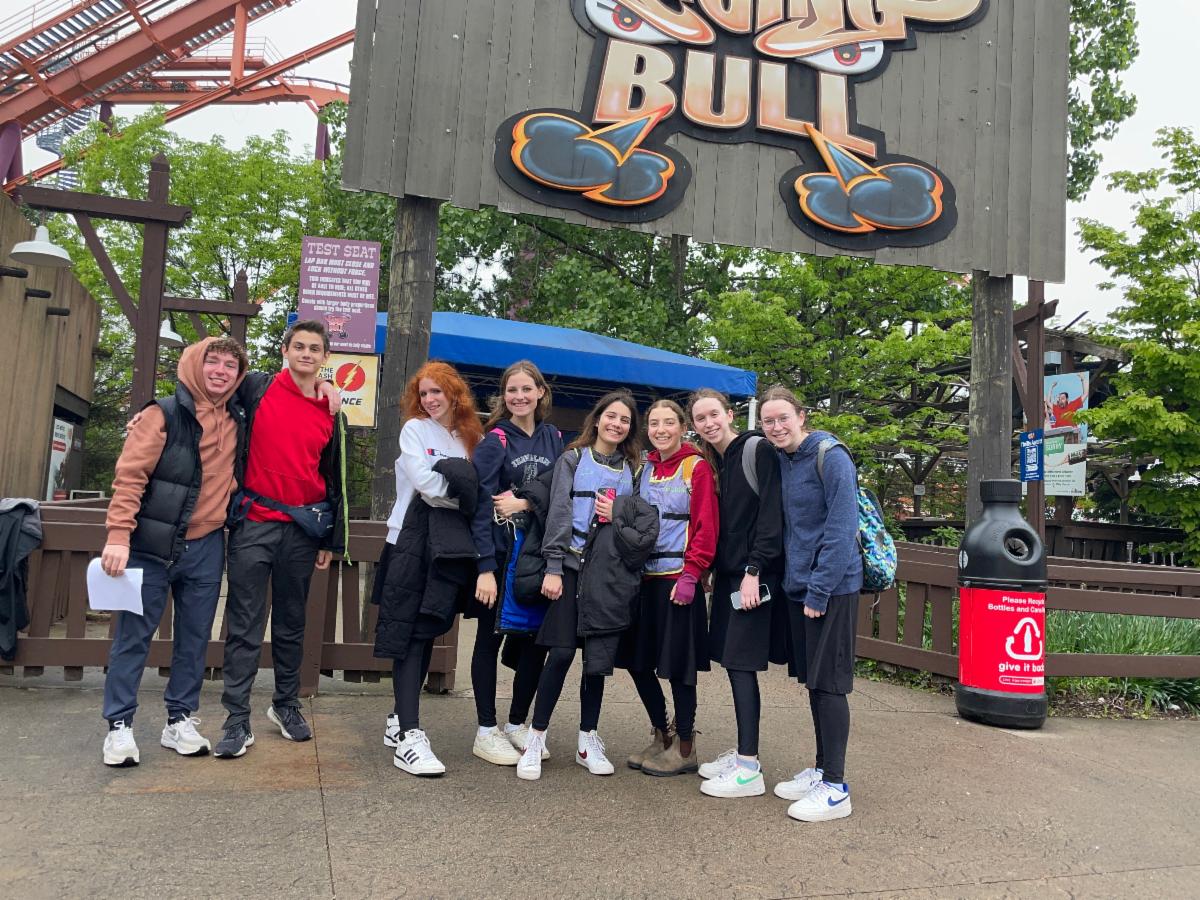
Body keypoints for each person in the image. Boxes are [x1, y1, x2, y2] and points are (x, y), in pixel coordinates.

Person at [99, 336, 248, 766]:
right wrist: (118, 535)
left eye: (230, 366)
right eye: (212, 361)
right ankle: (119, 726)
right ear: (194, 364)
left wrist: (327, 386)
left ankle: (179, 718)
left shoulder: (238, 417)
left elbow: (293, 379)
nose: (220, 371)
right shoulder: (160, 414)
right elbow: (130, 476)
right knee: (133, 638)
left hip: (206, 545)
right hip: (150, 546)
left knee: (194, 639)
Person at [214, 320, 348, 759]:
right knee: (244, 624)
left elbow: (335, 479)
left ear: (325, 357)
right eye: (299, 346)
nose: (306, 353)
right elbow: (207, 389)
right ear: (285, 350)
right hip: (254, 521)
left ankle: (285, 704)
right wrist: (157, 413)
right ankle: (236, 718)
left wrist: (330, 540)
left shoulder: (331, 411)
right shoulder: (256, 388)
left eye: (315, 348)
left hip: (303, 529)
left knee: (292, 623)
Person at [517, 391, 659, 781]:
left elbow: (640, 518)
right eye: (611, 416)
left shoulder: (633, 469)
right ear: (597, 419)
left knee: (597, 661)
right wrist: (552, 566)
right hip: (569, 566)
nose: (617, 424)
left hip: (608, 576)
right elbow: (559, 511)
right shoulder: (573, 458)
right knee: (561, 653)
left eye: (625, 420)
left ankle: (587, 739)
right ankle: (535, 738)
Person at [374, 361, 483, 777]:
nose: (430, 399)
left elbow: (481, 489)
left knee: (428, 629)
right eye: (424, 393)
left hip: (448, 548)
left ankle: (398, 717)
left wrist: (465, 495)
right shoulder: (415, 430)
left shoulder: (471, 437)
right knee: (411, 634)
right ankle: (410, 735)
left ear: (455, 392)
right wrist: (463, 496)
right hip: (409, 542)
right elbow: (427, 485)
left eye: (437, 391)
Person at [760, 385, 862, 823]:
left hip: (832, 588)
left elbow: (841, 528)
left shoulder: (830, 456)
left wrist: (819, 589)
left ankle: (836, 787)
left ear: (802, 416)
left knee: (830, 684)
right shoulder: (783, 460)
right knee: (815, 684)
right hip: (799, 587)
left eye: (783, 417)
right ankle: (821, 770)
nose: (776, 426)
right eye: (768, 421)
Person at [688, 388, 787, 799]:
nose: (708, 423)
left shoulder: (756, 450)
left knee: (742, 664)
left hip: (753, 576)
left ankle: (748, 768)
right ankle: (746, 752)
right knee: (732, 663)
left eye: (714, 414)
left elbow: (770, 516)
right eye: (700, 418)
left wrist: (753, 569)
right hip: (731, 576)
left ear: (730, 414)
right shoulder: (717, 461)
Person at [467, 361, 563, 765]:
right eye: (512, 390)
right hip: (503, 554)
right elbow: (478, 506)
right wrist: (484, 568)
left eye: (527, 389)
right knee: (489, 639)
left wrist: (524, 502)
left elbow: (560, 493)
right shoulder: (496, 440)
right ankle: (485, 729)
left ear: (541, 392)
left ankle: (516, 723)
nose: (519, 397)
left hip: (537, 553)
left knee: (533, 641)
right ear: (503, 396)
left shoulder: (553, 438)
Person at [621, 399, 718, 777]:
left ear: (682, 427)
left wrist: (693, 574)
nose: (661, 430)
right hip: (643, 579)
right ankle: (662, 734)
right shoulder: (643, 468)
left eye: (668, 423)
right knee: (637, 662)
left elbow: (707, 525)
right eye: (654, 424)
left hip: (678, 580)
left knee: (679, 666)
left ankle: (685, 745)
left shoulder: (697, 467)